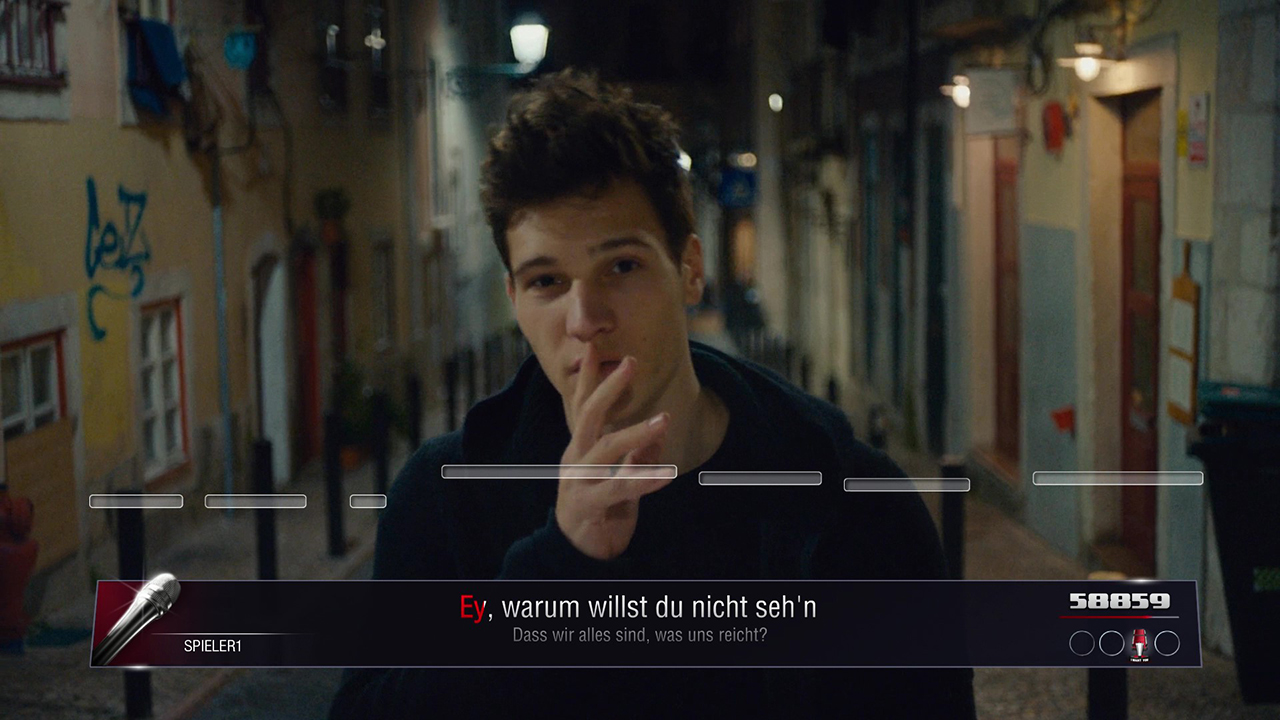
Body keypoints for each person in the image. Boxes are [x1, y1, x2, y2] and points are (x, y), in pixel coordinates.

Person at [330, 69, 975, 718]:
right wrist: (556, 569)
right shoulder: (447, 497)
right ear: (514, 299)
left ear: (689, 270)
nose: (585, 318)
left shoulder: (856, 507)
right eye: (547, 281)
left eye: (622, 266)